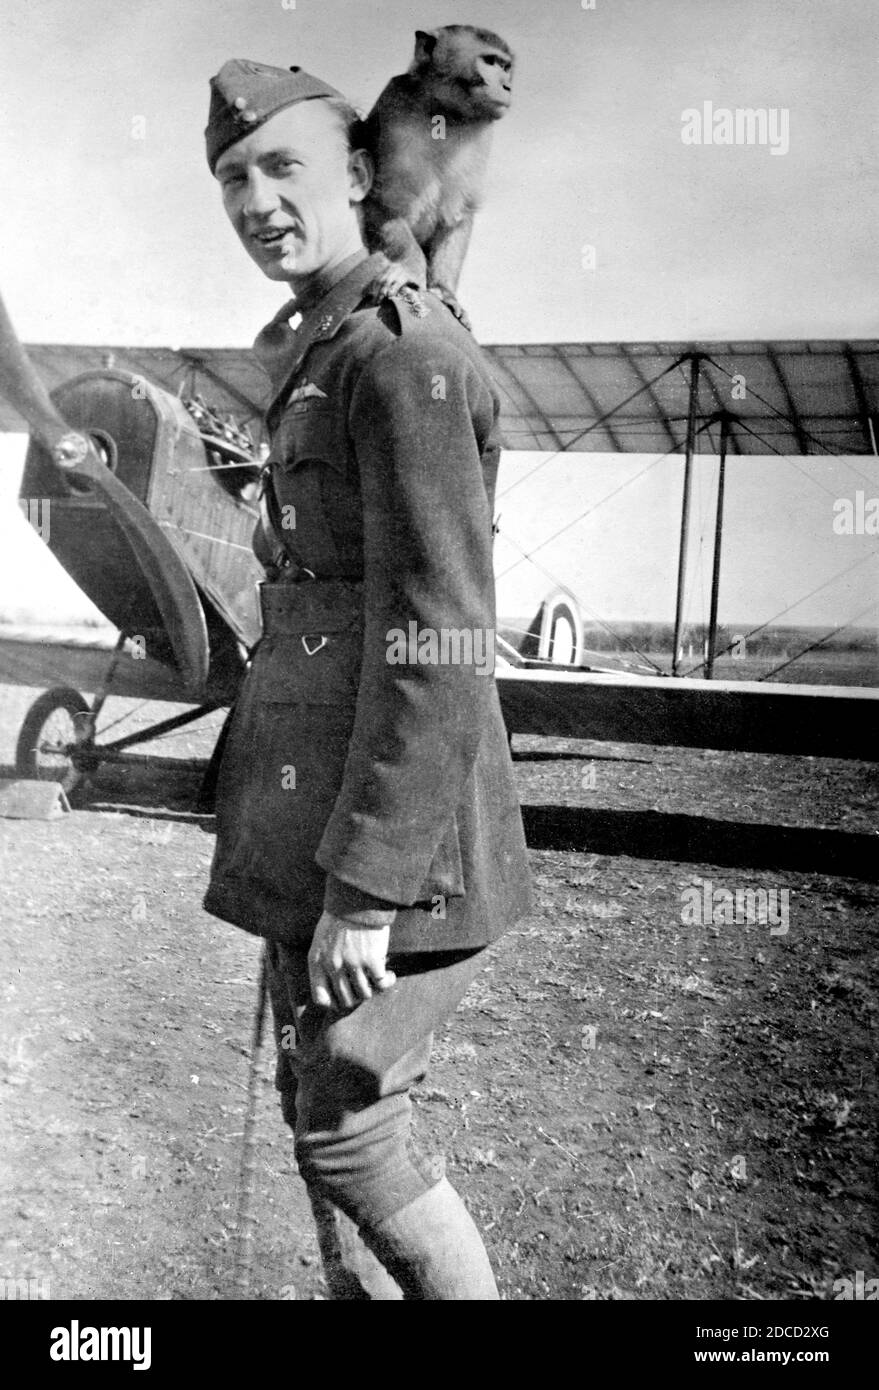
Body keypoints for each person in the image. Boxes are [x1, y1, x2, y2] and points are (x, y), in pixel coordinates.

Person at [201, 58, 533, 1300]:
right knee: (318, 1105)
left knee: (349, 1128)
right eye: (234, 176)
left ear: (353, 174)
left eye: (281, 166)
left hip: (394, 847)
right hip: (317, 821)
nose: (255, 200)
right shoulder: (327, 345)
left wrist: (368, 893)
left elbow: (439, 636)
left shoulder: (402, 353)